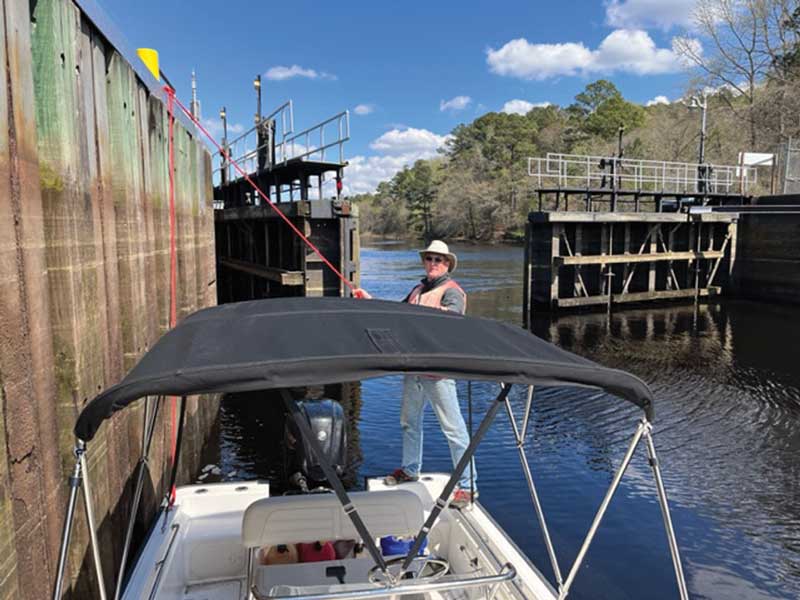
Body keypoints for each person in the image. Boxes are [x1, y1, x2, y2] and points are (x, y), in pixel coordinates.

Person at [354, 240, 476, 508]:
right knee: (409, 422)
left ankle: (467, 486)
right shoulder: (417, 289)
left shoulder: (452, 292)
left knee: (454, 431)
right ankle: (410, 470)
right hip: (413, 369)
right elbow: (396, 314)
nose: (433, 263)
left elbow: (450, 322)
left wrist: (416, 315)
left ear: (447, 265)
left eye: (438, 260)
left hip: (438, 373)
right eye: (429, 258)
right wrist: (370, 300)